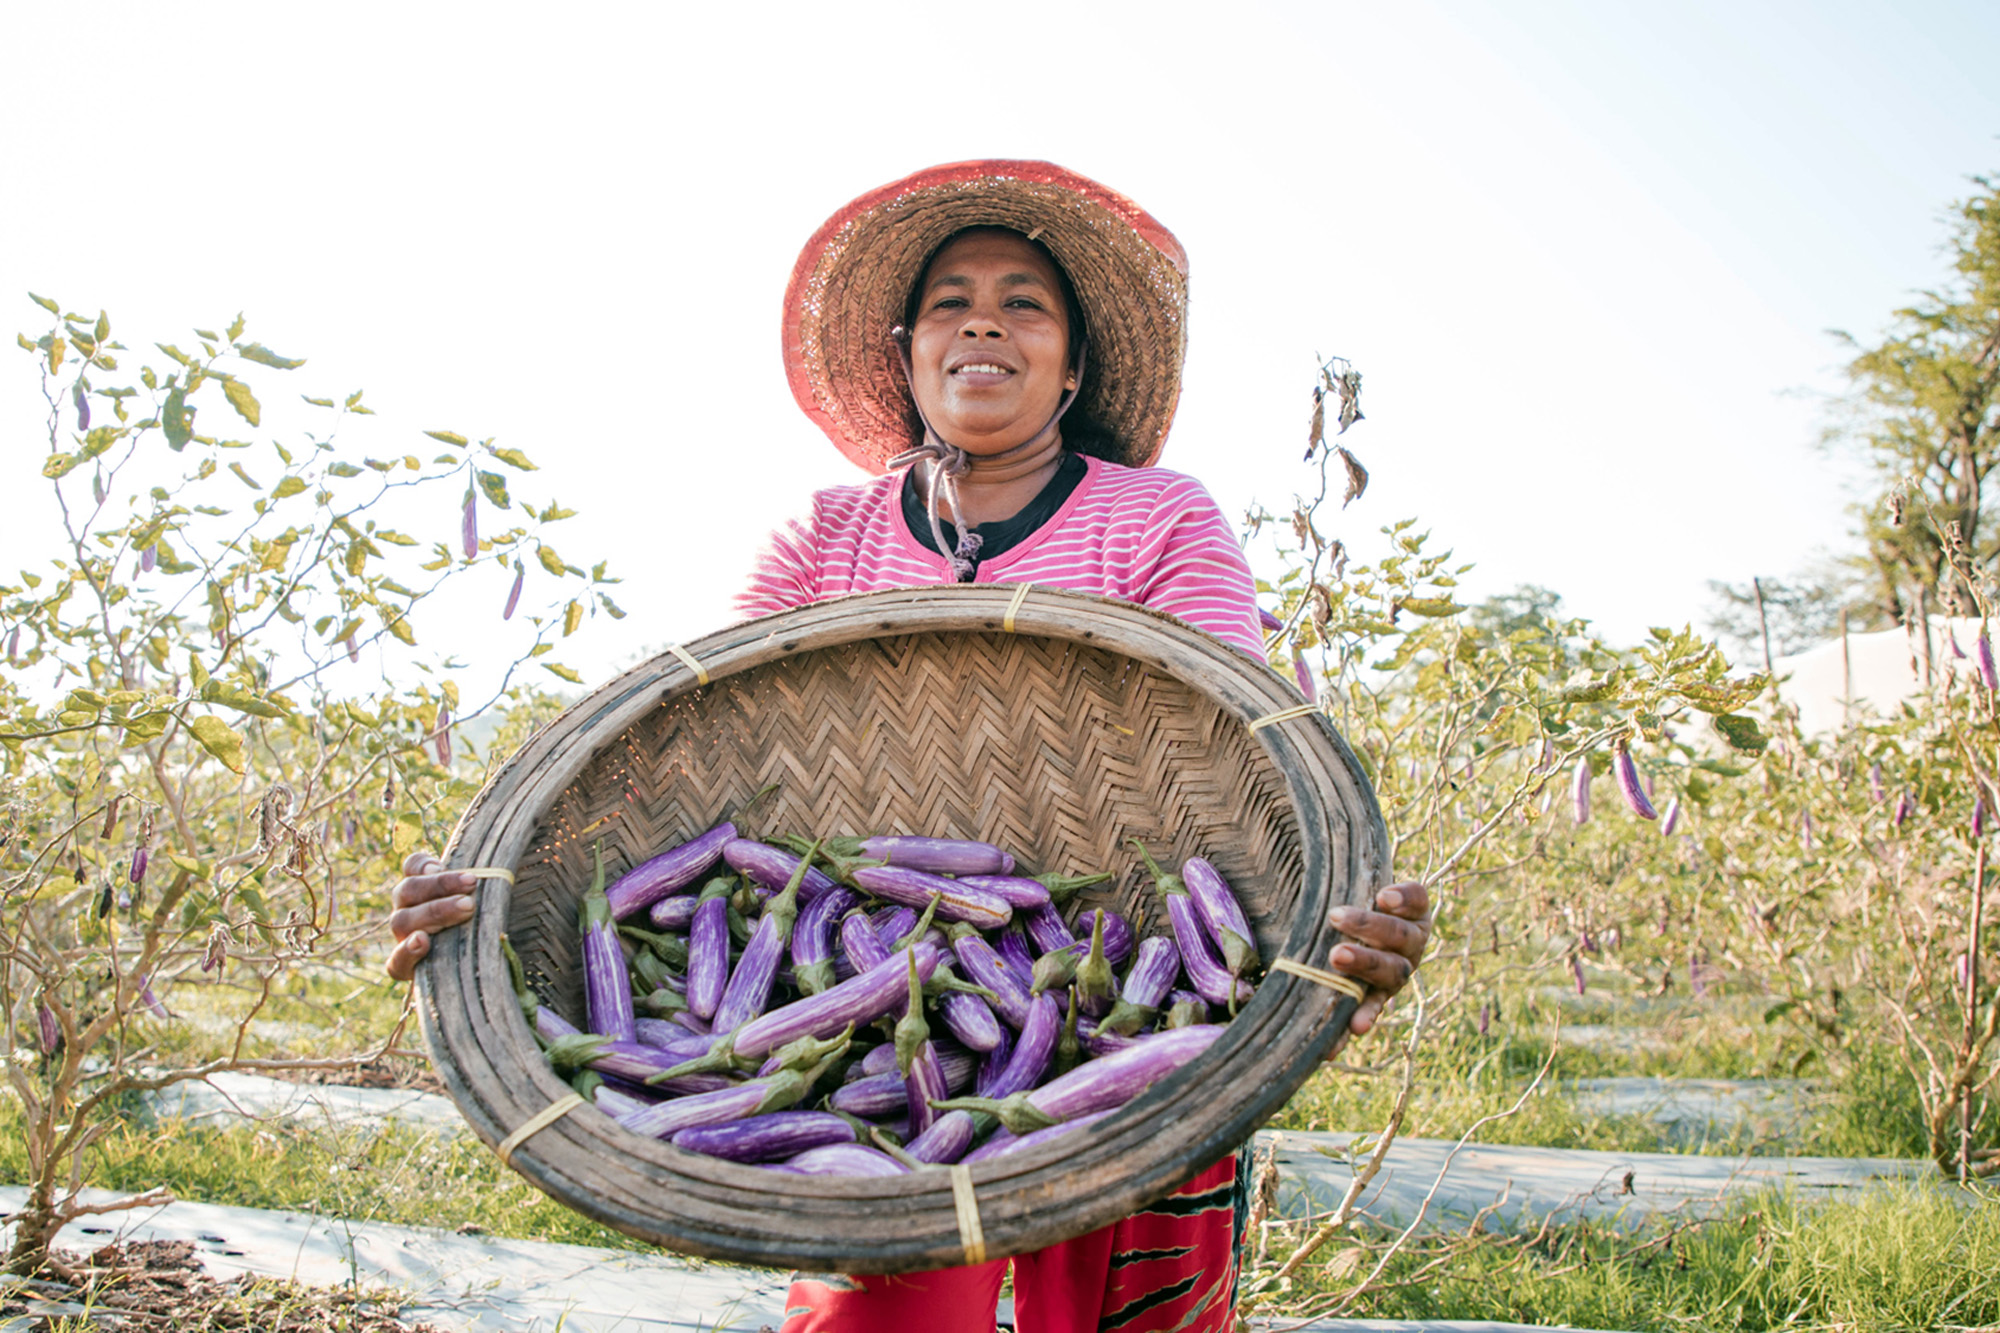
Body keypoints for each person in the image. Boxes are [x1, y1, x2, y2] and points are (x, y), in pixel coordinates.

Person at [387, 161, 1431, 1332]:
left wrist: (1332, 923)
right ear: (907, 353)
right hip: (866, 1020)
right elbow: (691, 767)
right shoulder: (820, 536)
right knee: (878, 1316)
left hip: (1141, 984)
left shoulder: (1158, 516)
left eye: (1023, 300)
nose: (983, 318)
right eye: (950, 300)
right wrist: (485, 886)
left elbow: (1246, 759)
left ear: (1072, 365)